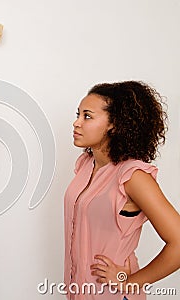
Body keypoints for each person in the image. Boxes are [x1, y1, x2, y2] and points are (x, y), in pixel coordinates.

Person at [64, 80, 180, 299]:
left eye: (87, 116)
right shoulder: (85, 165)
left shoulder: (133, 176)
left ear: (114, 124)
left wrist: (129, 282)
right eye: (78, 114)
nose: (76, 123)